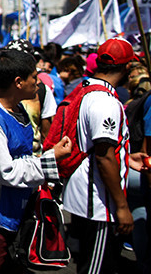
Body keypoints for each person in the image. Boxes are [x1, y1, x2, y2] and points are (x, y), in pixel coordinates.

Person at [0, 49, 72, 272]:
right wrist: (51, 160)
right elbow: (6, 172)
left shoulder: (18, 110)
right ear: (19, 82)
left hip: (15, 212)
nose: (39, 83)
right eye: (34, 77)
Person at [63, 38, 133, 273]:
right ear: (126, 68)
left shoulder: (87, 90)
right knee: (95, 268)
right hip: (99, 202)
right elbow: (104, 156)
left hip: (89, 196)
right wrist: (122, 207)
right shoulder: (105, 102)